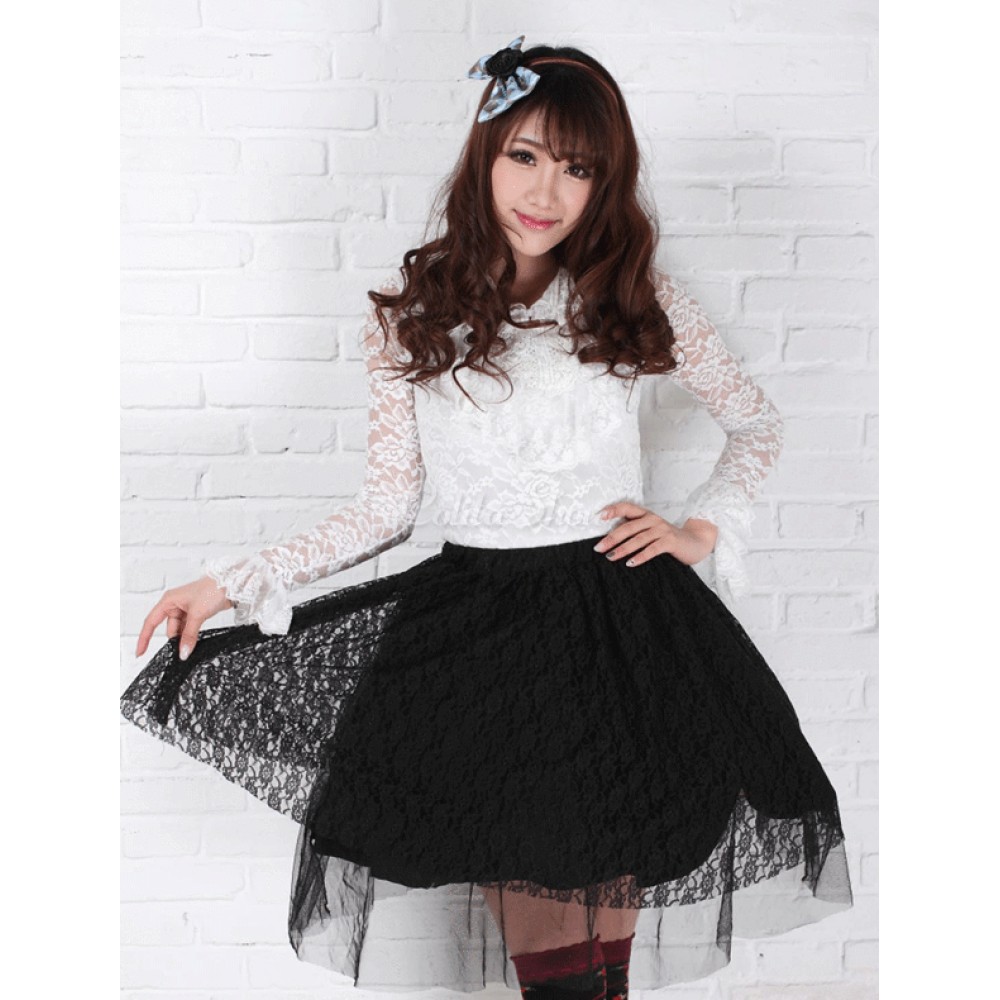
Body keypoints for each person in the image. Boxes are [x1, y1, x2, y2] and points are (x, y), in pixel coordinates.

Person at [123, 37, 854, 999]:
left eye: (577, 168)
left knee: (597, 969)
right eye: (526, 155)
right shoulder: (415, 316)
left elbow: (755, 424)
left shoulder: (634, 301)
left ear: (604, 184)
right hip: (488, 645)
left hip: (624, 636)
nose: (546, 190)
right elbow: (388, 506)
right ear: (486, 154)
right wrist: (232, 582)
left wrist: (699, 530)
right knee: (559, 965)